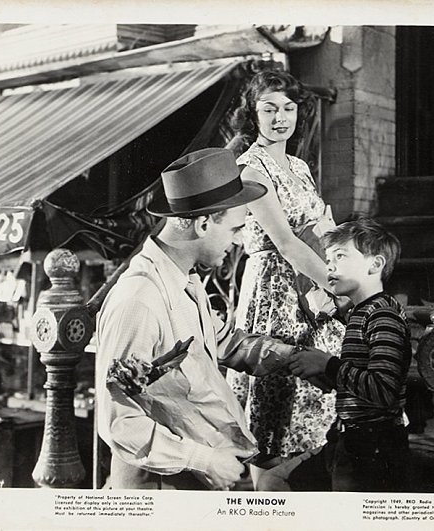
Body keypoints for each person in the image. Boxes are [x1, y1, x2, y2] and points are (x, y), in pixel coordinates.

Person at [95, 148, 313, 490]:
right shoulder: (139, 301)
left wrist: (296, 358)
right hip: (155, 495)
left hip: (194, 484)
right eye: (235, 229)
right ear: (203, 223)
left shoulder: (186, 280)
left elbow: (224, 341)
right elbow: (118, 422)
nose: (240, 241)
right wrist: (204, 460)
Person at [226, 69, 345, 484]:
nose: (281, 117)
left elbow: (321, 229)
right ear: (252, 114)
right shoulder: (250, 169)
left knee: (313, 419)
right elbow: (286, 243)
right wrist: (342, 290)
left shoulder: (298, 165)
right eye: (269, 108)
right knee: (273, 432)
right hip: (275, 296)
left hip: (312, 288)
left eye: (289, 108)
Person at [282, 218, 412, 492]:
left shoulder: (382, 315)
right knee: (280, 481)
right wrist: (327, 372)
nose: (329, 266)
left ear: (375, 265)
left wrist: (328, 364)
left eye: (340, 256)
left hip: (374, 446)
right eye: (328, 258)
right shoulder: (360, 312)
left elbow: (383, 388)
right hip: (350, 439)